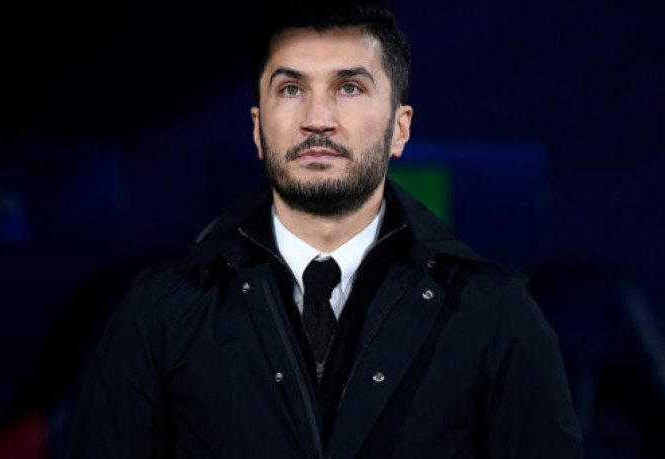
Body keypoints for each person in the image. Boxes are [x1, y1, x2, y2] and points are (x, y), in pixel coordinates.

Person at [68, 1, 583, 457]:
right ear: (256, 127)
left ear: (399, 128)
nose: (318, 118)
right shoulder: (160, 312)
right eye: (291, 88)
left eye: (349, 87)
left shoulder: (495, 312)